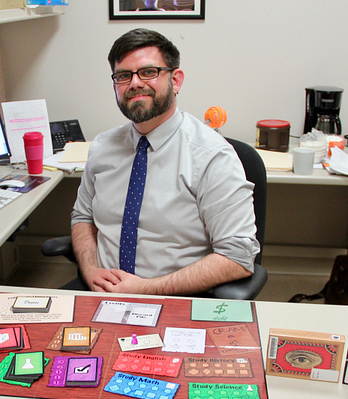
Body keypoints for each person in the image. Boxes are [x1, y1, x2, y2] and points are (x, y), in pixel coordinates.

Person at [70, 28, 259, 296]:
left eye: (148, 72)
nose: (135, 83)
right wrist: (89, 270)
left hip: (175, 299)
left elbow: (238, 257)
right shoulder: (102, 148)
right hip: (101, 295)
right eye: (123, 76)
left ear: (176, 80)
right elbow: (82, 217)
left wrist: (144, 288)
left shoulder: (212, 156)